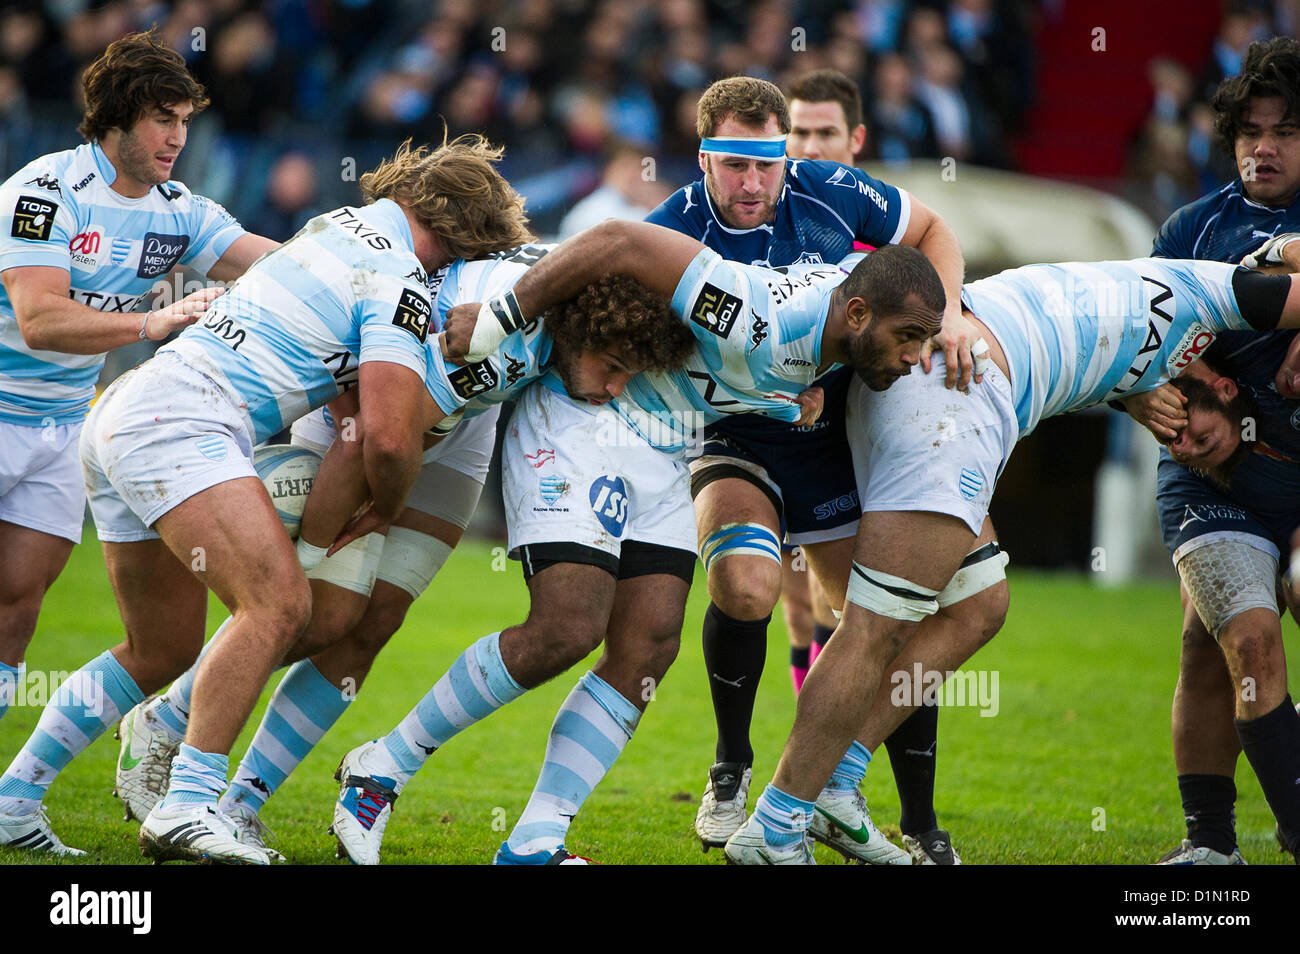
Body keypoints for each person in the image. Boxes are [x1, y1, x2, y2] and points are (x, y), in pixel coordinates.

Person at [328, 222, 945, 864]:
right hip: (589, 415)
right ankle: (381, 771)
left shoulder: (836, 316)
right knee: (566, 628)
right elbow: (622, 240)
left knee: (648, 645)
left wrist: (791, 405)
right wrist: (498, 319)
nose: (914, 356)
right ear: (857, 311)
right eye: (907, 338)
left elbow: (922, 230)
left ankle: (535, 841)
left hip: (667, 446)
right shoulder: (757, 317)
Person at [0, 137, 530, 862]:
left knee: (158, 648)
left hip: (124, 411)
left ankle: (14, 798)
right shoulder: (401, 274)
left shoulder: (335, 224)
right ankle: (188, 804)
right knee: (280, 607)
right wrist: (382, 502)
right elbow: (386, 436)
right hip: (183, 422)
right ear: (456, 231)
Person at [723, 240, 1300, 863]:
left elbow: (1083, 349)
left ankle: (837, 782)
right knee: (871, 630)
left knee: (979, 604)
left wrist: (1126, 393)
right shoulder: (1213, 294)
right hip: (955, 396)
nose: (1178, 436)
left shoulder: (1139, 307)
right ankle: (775, 827)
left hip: (928, 384)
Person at [645, 72, 974, 863]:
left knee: (888, 621)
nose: (753, 181)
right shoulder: (670, 229)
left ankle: (912, 818)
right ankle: (731, 769)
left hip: (831, 440)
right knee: (749, 587)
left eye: (767, 161)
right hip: (735, 438)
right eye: (734, 164)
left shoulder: (832, 191)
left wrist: (951, 314)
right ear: (702, 159)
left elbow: (933, 233)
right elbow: (643, 342)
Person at [0, 30, 276, 731]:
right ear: (116, 118)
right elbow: (40, 320)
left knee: (16, 608)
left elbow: (274, 263)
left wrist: (365, 259)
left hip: (61, 428)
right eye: (163, 118)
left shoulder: (178, 208)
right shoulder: (43, 190)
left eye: (185, 121)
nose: (178, 136)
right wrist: (151, 324)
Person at [1119, 35, 1300, 865]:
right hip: (1212, 474)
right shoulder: (1192, 229)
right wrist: (1146, 395)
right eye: (1250, 131)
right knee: (1231, 642)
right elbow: (1131, 344)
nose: (1264, 147)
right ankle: (1213, 847)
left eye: (1286, 131)